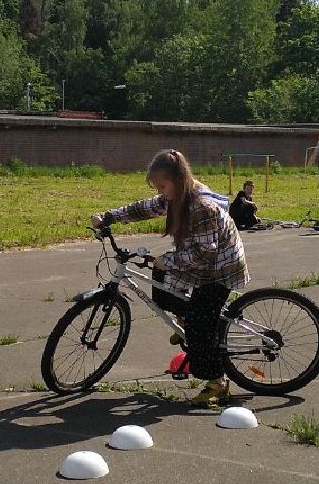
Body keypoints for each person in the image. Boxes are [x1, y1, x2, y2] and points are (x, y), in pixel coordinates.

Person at [92, 149, 249, 405]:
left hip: (221, 269)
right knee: (162, 282)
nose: (160, 192)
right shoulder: (176, 195)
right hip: (203, 262)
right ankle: (187, 320)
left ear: (178, 179)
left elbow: (205, 255)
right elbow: (143, 208)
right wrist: (109, 217)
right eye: (157, 188)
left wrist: (169, 260)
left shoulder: (201, 207)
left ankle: (217, 383)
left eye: (162, 187)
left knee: (199, 324)